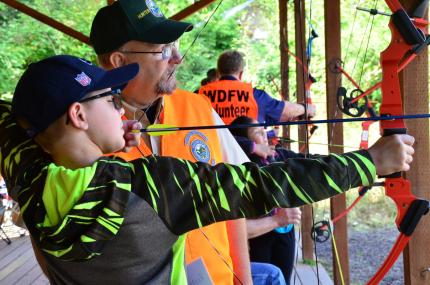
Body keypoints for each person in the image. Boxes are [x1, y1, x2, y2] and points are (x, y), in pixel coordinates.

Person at [0, 55, 414, 285]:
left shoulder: (29, 174)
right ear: (78, 114)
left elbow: (11, 121)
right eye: (110, 101)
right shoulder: (152, 186)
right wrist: (372, 161)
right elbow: (265, 184)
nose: (122, 111)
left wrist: (97, 142)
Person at [89, 0, 253, 283]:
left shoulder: (199, 107)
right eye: (163, 50)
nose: (177, 58)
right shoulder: (82, 130)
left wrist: (243, 279)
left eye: (175, 45)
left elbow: (234, 199)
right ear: (119, 62)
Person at [231, 116, 309, 283]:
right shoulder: (241, 162)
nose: (265, 135)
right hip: (259, 234)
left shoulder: (278, 154)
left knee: (283, 279)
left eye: (264, 130)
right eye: (257, 132)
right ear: (245, 139)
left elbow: (309, 162)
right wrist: (252, 147)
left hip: (284, 230)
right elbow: (223, 136)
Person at [199, 50, 317, 125]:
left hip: (211, 158)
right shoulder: (254, 95)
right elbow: (284, 110)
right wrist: (307, 109)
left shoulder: (200, 94)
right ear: (241, 73)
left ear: (218, 73)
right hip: (247, 158)